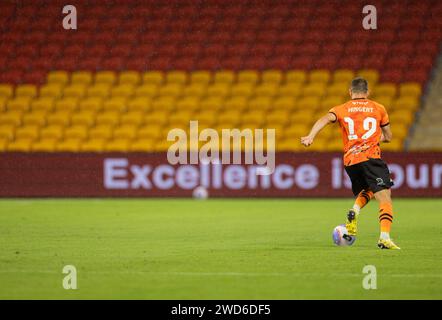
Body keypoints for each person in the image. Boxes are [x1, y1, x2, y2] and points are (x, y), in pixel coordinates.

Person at [301, 77, 400, 249]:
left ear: (350, 92)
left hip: (351, 161)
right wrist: (372, 140)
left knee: (369, 189)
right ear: (367, 92)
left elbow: (325, 119)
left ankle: (354, 210)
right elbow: (389, 137)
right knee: (385, 197)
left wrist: (311, 136)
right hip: (370, 157)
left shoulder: (342, 109)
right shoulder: (378, 108)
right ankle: (384, 237)